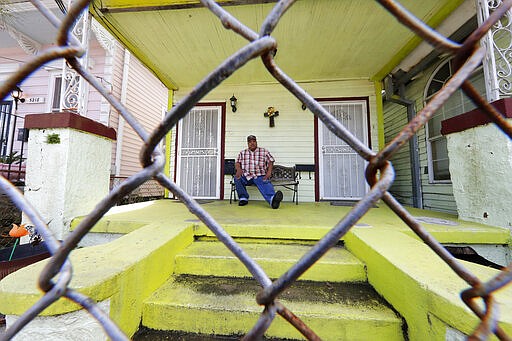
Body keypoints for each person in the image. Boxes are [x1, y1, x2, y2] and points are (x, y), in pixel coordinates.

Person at [234, 135, 283, 209]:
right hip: (247, 176)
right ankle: (243, 198)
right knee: (237, 178)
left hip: (259, 175)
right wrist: (238, 170)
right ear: (247, 143)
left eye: (254, 141)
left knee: (265, 181)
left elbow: (271, 160)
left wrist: (269, 172)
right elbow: (237, 163)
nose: (252, 143)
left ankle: (272, 200)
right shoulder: (242, 153)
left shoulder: (264, 151)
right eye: (250, 142)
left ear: (256, 142)